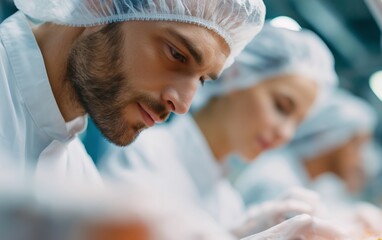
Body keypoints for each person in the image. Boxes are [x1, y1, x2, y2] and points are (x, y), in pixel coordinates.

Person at [100, 25, 346, 239]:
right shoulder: (143, 154)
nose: (286, 133)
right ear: (237, 75)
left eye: (298, 122)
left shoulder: (227, 201)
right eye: (281, 106)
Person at [0, 0, 265, 187]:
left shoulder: (75, 173)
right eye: (176, 54)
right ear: (100, 4)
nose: (183, 104)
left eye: (203, 80)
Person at [234, 89, 382, 237]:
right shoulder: (275, 179)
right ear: (334, 138)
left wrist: (352, 217)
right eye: (358, 145)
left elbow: (322, 215)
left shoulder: (311, 178)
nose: (362, 158)